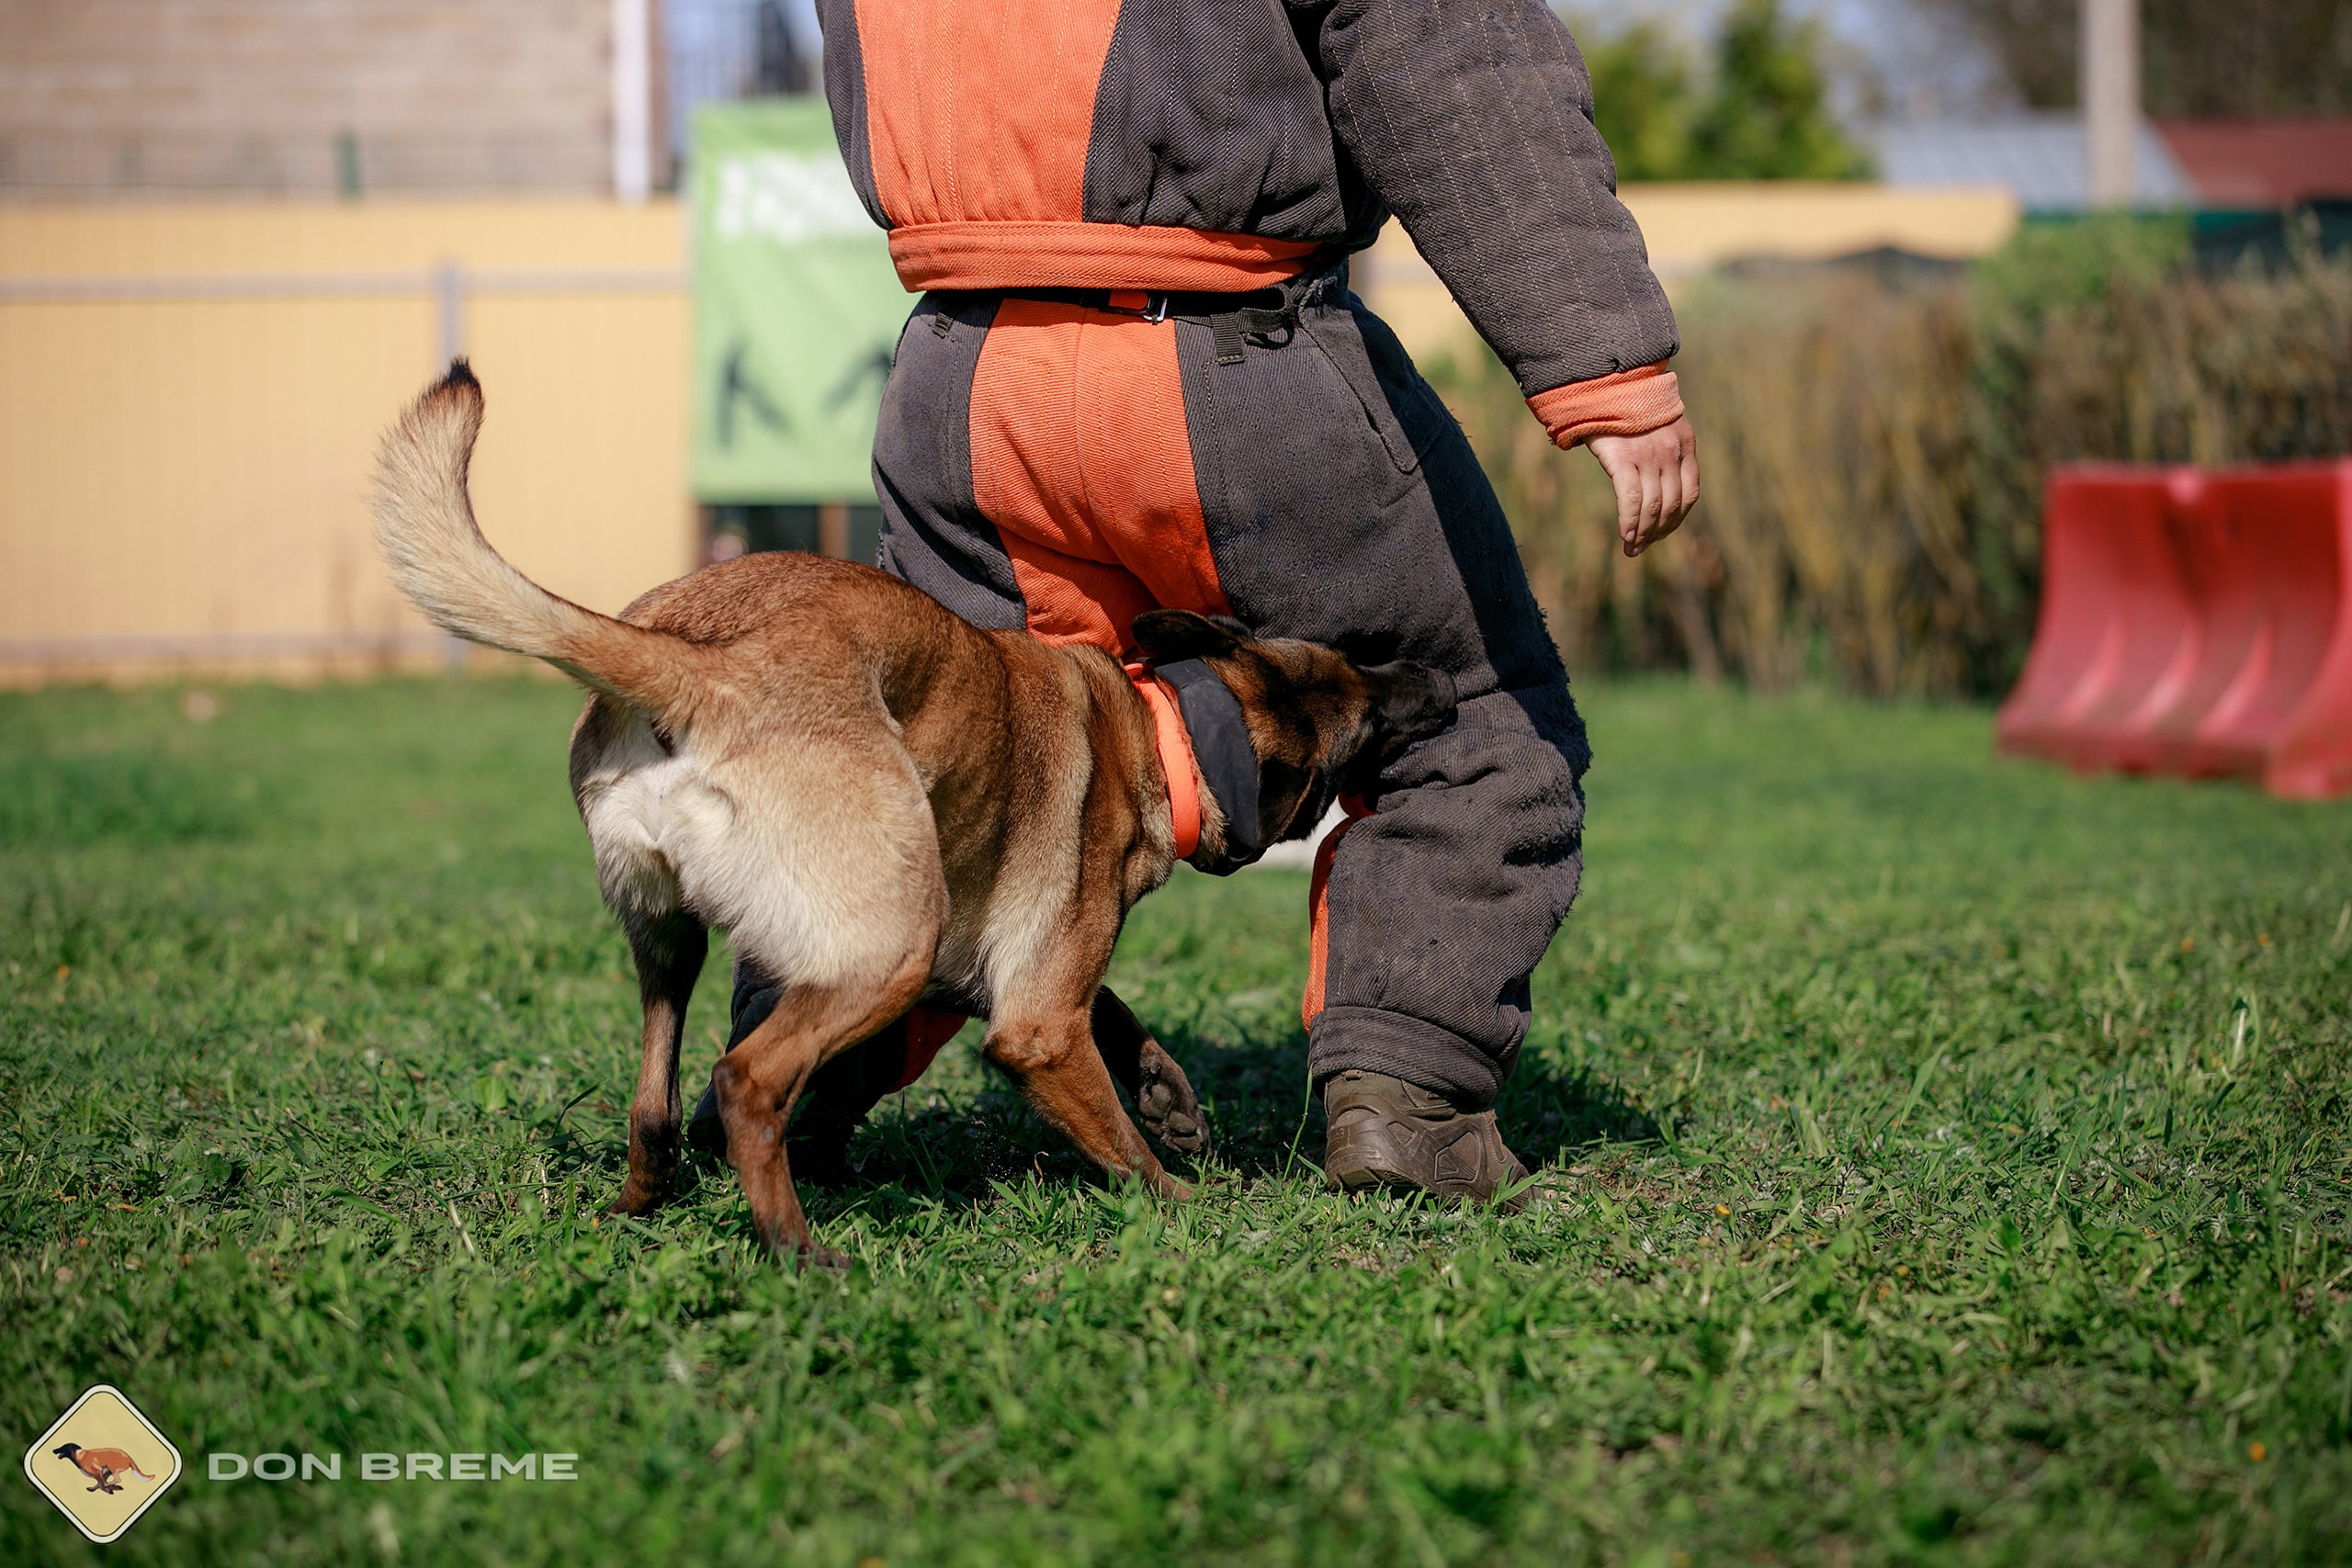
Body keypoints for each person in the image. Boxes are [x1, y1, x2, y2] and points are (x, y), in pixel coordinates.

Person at [700, 0, 1700, 1204]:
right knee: (1464, 724)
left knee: (929, 767)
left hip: (964, 383)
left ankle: (788, 1081)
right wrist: (1606, 364)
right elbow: (1443, 47)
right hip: (1230, 360)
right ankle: (1408, 1102)